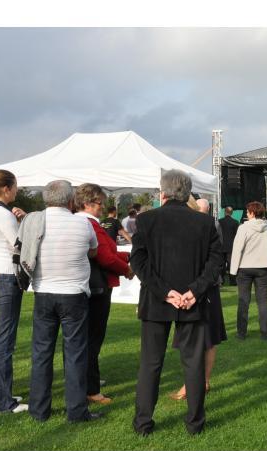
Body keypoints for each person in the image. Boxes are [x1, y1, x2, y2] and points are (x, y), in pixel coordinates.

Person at [131, 170, 221, 436]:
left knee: (151, 363)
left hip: (166, 300)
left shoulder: (147, 219)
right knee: (193, 363)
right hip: (179, 299)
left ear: (163, 192)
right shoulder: (203, 222)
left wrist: (187, 291)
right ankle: (194, 423)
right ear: (187, 193)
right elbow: (216, 261)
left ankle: (143, 423)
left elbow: (138, 262)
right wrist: (187, 291)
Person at [28, 180, 101, 422]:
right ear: (71, 201)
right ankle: (76, 411)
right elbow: (93, 250)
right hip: (73, 294)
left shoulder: (35, 221)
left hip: (43, 292)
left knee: (41, 353)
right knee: (75, 354)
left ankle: (39, 410)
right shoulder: (82, 223)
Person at [74, 184, 133, 406]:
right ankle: (91, 388)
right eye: (100, 203)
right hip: (97, 287)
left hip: (89, 285)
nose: (103, 207)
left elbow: (108, 253)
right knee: (92, 339)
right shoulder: (90, 224)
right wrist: (126, 269)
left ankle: (87, 381)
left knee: (86, 338)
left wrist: (126, 258)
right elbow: (106, 257)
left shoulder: (84, 222)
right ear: (87, 203)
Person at [0, 170, 29, 413]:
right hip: (6, 277)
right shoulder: (4, 214)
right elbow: (20, 246)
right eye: (16, 186)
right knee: (3, 342)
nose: (17, 191)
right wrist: (25, 222)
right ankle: (1, 401)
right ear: (7, 188)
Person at [171, 197, 227, 400]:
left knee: (206, 337)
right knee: (195, 338)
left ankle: (199, 382)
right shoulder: (191, 227)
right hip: (192, 289)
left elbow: (215, 260)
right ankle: (198, 382)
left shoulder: (209, 226)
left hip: (204, 288)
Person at [230, 201, 267, 340]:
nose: (246, 214)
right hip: (264, 268)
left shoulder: (244, 227)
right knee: (262, 301)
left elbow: (237, 249)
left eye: (247, 212)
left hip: (245, 268)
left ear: (252, 213)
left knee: (243, 300)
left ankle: (241, 333)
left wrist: (233, 270)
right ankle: (264, 332)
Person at [218, 206, 239, 286]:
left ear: (225, 212)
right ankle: (232, 281)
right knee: (231, 264)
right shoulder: (235, 222)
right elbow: (237, 235)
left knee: (221, 264)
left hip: (221, 246)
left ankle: (222, 280)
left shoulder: (220, 221)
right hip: (231, 246)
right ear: (232, 213)